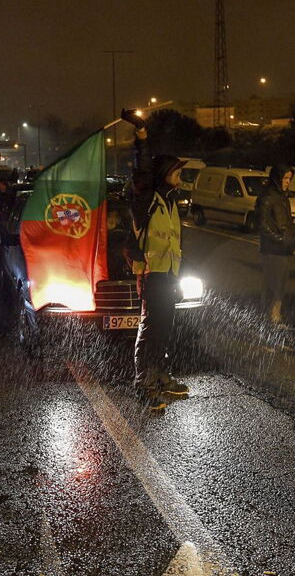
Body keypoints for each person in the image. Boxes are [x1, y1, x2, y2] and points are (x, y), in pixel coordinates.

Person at [121, 109, 190, 412]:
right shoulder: (146, 198)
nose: (181, 177)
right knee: (149, 330)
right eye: (177, 172)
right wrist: (141, 136)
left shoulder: (169, 201)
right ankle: (143, 384)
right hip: (151, 275)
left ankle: (160, 376)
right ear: (164, 174)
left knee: (164, 328)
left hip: (169, 273)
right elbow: (142, 170)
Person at [254, 163, 295, 325]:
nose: (287, 182)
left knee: (279, 284)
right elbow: (263, 225)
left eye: (289, 179)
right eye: (284, 178)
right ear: (277, 178)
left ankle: (272, 317)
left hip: (282, 250)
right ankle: (271, 318)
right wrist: (286, 241)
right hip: (272, 250)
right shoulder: (267, 197)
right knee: (275, 285)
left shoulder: (283, 198)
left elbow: (288, 224)